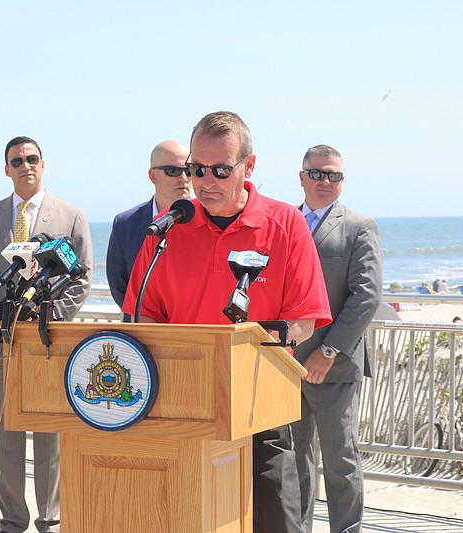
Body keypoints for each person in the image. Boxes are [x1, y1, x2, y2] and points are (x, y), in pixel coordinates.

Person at [123, 111, 332, 533]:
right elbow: (142, 314)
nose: (205, 181)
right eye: (197, 169)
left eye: (220, 169)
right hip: (183, 406)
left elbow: (305, 320)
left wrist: (247, 344)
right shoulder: (168, 230)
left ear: (248, 167)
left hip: (260, 407)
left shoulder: (285, 224)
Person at [0, 136, 93, 533]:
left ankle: (50, 520)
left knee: (48, 436)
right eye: (17, 161)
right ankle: (13, 521)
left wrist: (50, 319)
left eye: (32, 158)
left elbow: (83, 276)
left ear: (44, 163)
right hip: (0, 343)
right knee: (5, 436)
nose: (26, 166)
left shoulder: (70, 216)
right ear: (6, 169)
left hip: (49, 344)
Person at [291, 145, 383, 533]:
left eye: (334, 176)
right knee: (293, 464)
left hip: (333, 365)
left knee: (340, 462)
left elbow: (367, 296)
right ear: (302, 177)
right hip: (286, 364)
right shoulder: (286, 221)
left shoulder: (359, 225)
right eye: (317, 174)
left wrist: (328, 351)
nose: (325, 182)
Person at [106, 140, 191, 309]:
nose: (183, 178)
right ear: (153, 176)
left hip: (193, 327)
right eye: (173, 171)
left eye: (189, 170)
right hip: (142, 328)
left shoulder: (210, 220)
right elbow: (119, 286)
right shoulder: (125, 224)